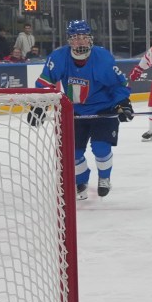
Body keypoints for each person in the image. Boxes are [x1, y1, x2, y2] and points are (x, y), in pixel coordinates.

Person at [37, 19, 131, 197]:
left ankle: (104, 178)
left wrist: (123, 103)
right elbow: (45, 83)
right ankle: (81, 181)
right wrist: (40, 106)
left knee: (100, 147)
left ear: (90, 39)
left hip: (103, 110)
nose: (80, 41)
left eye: (83, 37)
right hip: (75, 111)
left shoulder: (103, 58)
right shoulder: (58, 58)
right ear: (69, 40)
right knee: (73, 153)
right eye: (75, 37)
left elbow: (119, 85)